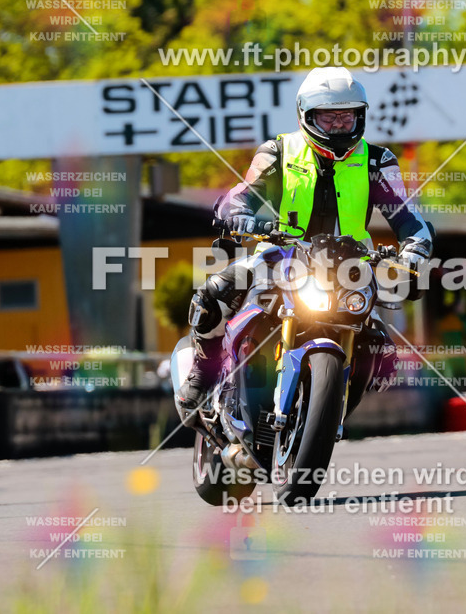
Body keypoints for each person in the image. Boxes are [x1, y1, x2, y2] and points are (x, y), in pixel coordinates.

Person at [176, 67, 434, 413]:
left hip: (351, 267)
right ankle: (202, 375)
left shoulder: (377, 161)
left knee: (382, 352)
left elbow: (407, 216)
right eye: (330, 118)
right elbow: (243, 193)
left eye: (348, 117)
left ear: (361, 116)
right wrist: (236, 211)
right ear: (306, 115)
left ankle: (326, 410)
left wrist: (415, 251)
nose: (340, 126)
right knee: (212, 296)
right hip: (280, 255)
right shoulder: (278, 151)